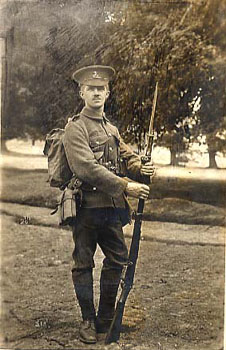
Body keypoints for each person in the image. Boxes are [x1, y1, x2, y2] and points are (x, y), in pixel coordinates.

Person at [63, 65, 155, 344]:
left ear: (108, 93)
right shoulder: (75, 128)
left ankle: (106, 319)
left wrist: (142, 167)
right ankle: (88, 321)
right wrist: (128, 185)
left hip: (111, 208)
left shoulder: (111, 129)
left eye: (100, 89)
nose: (96, 93)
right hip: (86, 207)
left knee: (118, 259)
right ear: (82, 93)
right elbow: (87, 168)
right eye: (90, 89)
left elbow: (127, 159)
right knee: (83, 262)